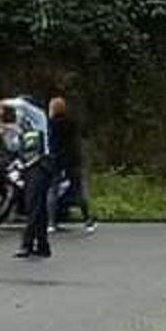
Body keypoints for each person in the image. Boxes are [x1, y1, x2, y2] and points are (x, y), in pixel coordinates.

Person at [4, 104, 53, 259]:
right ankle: (43, 245)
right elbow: (13, 147)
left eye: (20, 113)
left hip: (40, 167)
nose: (19, 116)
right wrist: (5, 132)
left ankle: (27, 244)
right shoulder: (22, 131)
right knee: (39, 208)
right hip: (28, 169)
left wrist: (4, 103)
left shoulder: (40, 122)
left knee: (33, 205)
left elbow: (24, 105)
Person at [47, 97, 97, 235]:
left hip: (57, 160)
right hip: (73, 160)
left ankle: (51, 223)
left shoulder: (51, 124)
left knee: (53, 190)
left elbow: (51, 143)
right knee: (79, 190)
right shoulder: (72, 123)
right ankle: (87, 221)